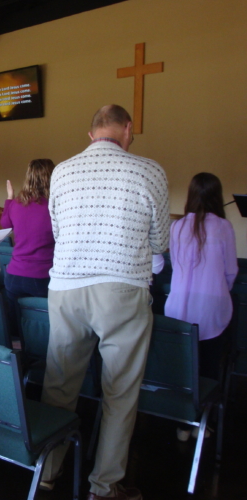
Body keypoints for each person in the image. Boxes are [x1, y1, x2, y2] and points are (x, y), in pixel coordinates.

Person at [41, 105, 170, 500]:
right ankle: (103, 486)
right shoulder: (149, 170)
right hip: (121, 290)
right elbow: (160, 242)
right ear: (127, 129)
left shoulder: (62, 171)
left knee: (59, 384)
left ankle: (46, 471)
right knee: (120, 392)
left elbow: (57, 230)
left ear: (91, 134)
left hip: (65, 287)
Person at [165, 173, 237, 440]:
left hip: (179, 307)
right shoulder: (223, 227)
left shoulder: (177, 226)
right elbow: (231, 271)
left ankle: (183, 424)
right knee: (208, 367)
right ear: (217, 196)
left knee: (184, 367)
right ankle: (203, 425)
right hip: (211, 308)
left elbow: (174, 264)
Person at [0, 159, 55, 329]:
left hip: (15, 276)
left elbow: (5, 225)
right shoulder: (54, 205)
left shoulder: (17, 203)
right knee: (44, 330)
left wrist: (9, 198)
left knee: (15, 330)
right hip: (43, 277)